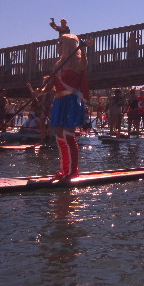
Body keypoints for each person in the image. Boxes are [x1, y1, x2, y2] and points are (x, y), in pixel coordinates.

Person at [48, 34, 88, 179]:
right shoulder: (58, 63)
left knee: (69, 135)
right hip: (58, 101)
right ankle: (65, 170)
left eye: (61, 43)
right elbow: (51, 83)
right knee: (59, 135)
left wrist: (83, 50)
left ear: (68, 45)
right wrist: (39, 92)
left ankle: (73, 171)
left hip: (71, 101)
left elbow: (84, 64)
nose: (58, 46)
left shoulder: (77, 62)